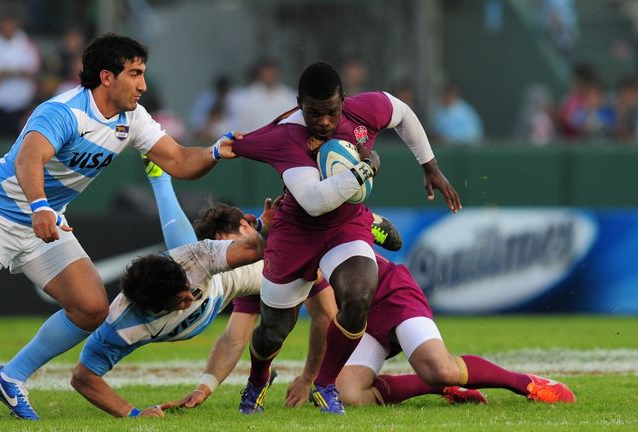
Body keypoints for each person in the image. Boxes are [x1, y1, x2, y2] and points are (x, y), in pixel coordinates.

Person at [0, 33, 235, 423]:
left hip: (46, 218)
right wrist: (40, 206)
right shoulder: (64, 111)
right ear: (106, 77)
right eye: (135, 73)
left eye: (143, 74)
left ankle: (11, 377)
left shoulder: (133, 118)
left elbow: (178, 160)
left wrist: (214, 152)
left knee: (91, 309)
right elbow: (29, 158)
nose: (143, 84)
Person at [227, 61, 461, 415]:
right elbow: (314, 202)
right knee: (274, 329)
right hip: (296, 231)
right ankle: (258, 380)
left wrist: (429, 165)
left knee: (357, 296)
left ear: (344, 101)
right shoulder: (285, 134)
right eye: (314, 113)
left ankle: (324, 384)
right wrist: (366, 168)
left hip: (344, 226)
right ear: (298, 104)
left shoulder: (364, 110)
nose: (323, 121)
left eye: (331, 112)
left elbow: (403, 112)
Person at [69, 160, 338, 418]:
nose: (190, 298)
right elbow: (82, 377)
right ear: (156, 306)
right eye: (181, 299)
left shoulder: (203, 259)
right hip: (222, 285)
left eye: (188, 289)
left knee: (350, 388)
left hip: (355, 307)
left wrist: (309, 378)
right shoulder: (122, 326)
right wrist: (136, 413)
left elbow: (327, 314)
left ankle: (160, 179)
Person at [169, 253, 576, 410]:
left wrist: (311, 376)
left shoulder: (281, 245)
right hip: (356, 318)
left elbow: (328, 318)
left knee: (442, 367)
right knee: (349, 395)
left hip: (387, 293)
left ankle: (525, 383)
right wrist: (205, 388)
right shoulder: (250, 271)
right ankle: (438, 388)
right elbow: (235, 337)